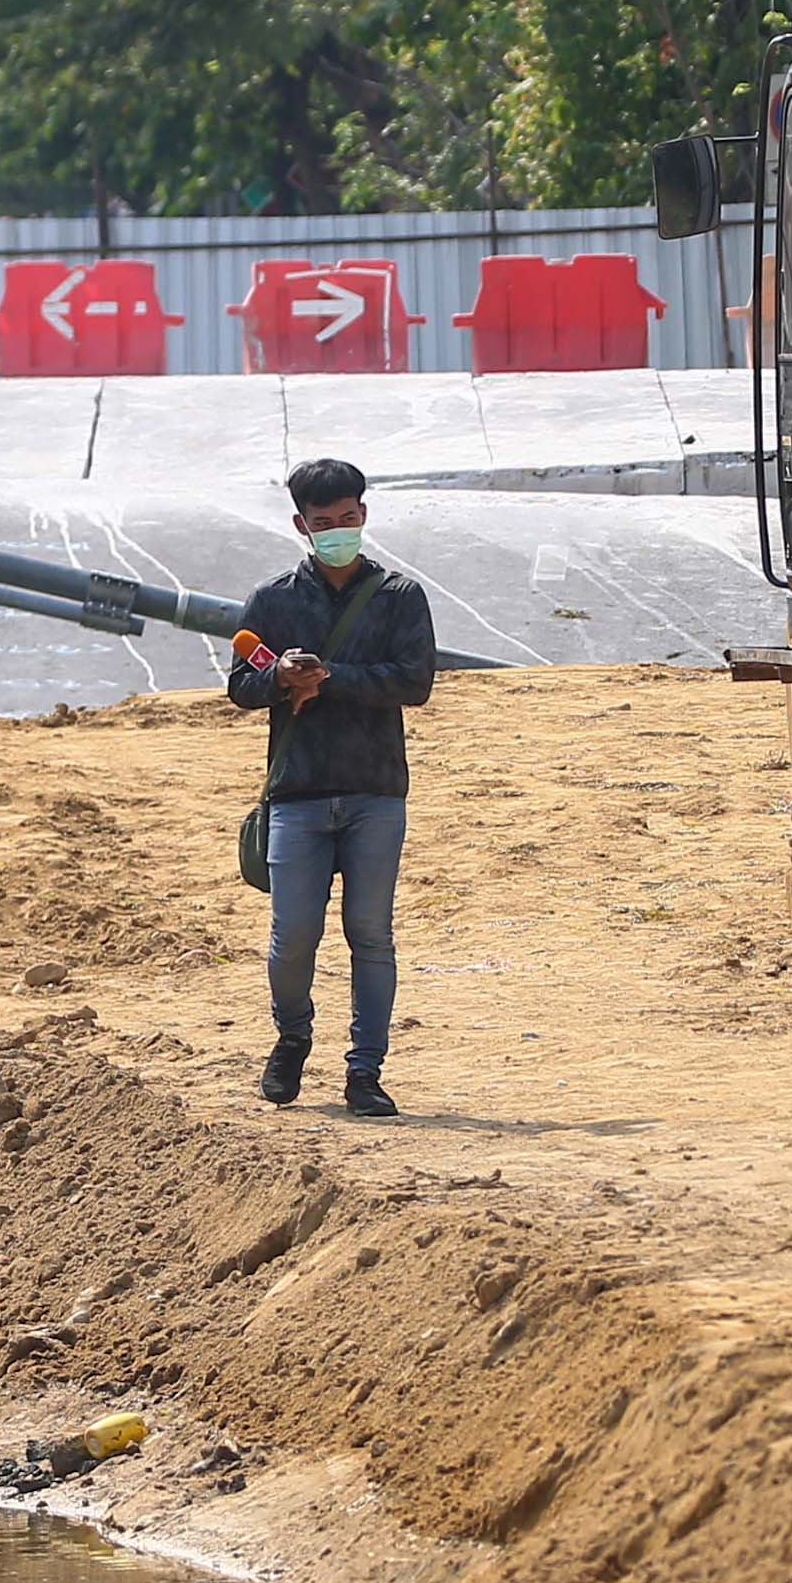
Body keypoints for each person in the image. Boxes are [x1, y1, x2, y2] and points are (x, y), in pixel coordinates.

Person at [230, 457, 438, 1118]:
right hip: (298, 792)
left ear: (364, 515)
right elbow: (238, 687)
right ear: (301, 526)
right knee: (292, 936)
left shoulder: (400, 597)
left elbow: (415, 682)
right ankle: (291, 1037)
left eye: (348, 519)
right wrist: (279, 679)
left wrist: (333, 679)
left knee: (369, 935)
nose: (338, 532)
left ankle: (364, 1072)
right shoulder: (272, 601)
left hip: (376, 790)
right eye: (324, 524)